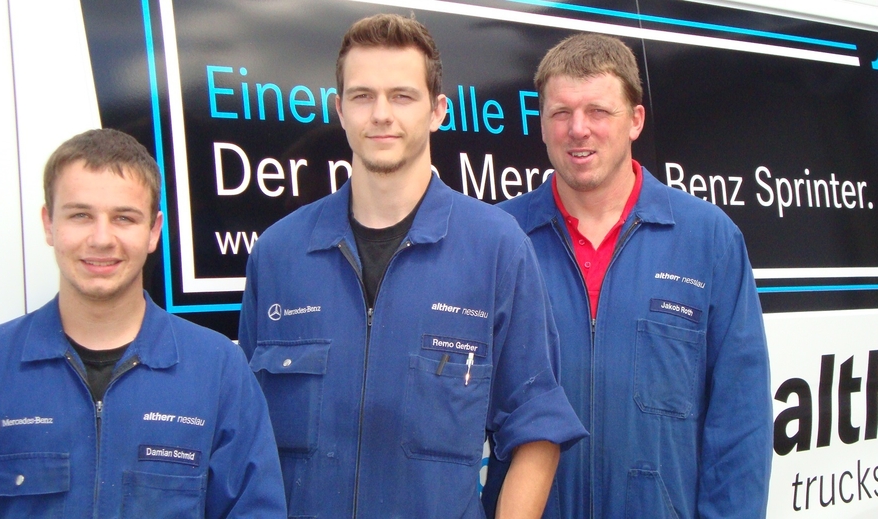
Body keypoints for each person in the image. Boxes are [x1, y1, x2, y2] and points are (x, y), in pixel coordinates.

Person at [239, 13, 586, 518]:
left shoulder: (496, 247)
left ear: (437, 111)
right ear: (339, 110)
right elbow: (246, 441)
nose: (381, 114)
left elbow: (536, 429)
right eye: (363, 96)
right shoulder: (278, 255)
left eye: (402, 96)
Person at [482, 33, 773, 518]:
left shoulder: (709, 239)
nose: (578, 129)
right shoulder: (497, 238)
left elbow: (741, 424)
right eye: (561, 113)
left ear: (635, 120)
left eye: (598, 111)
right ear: (542, 124)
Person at [0, 129, 286, 518]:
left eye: (123, 218)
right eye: (80, 215)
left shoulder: (219, 369)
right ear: (49, 224)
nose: (101, 239)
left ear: (153, 231)